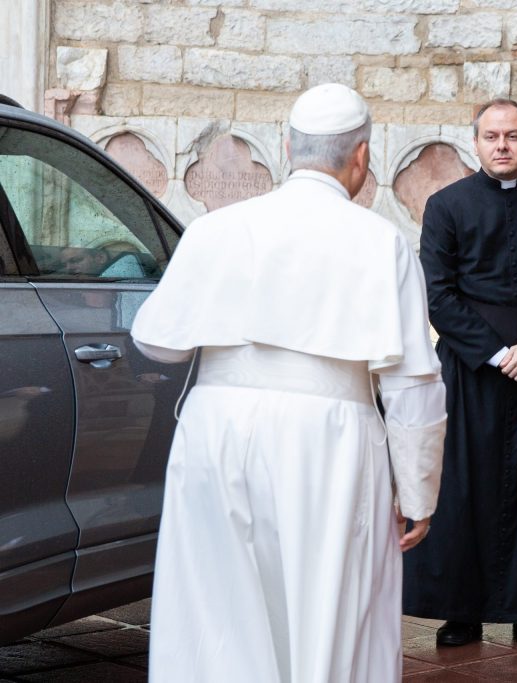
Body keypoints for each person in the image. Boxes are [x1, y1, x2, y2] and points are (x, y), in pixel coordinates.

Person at [131, 83, 446, 683]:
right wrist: (418, 492)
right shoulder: (381, 243)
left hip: (216, 430)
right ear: (361, 158)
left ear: (284, 147)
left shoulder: (214, 231)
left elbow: (158, 342)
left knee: (216, 609)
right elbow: (412, 385)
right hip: (328, 439)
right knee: (326, 608)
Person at [403, 99, 517, 647]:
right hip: (472, 367)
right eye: (492, 136)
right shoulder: (446, 204)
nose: (502, 145)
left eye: (514, 136)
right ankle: (463, 611)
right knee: (464, 489)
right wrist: (499, 353)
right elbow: (437, 293)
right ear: (475, 143)